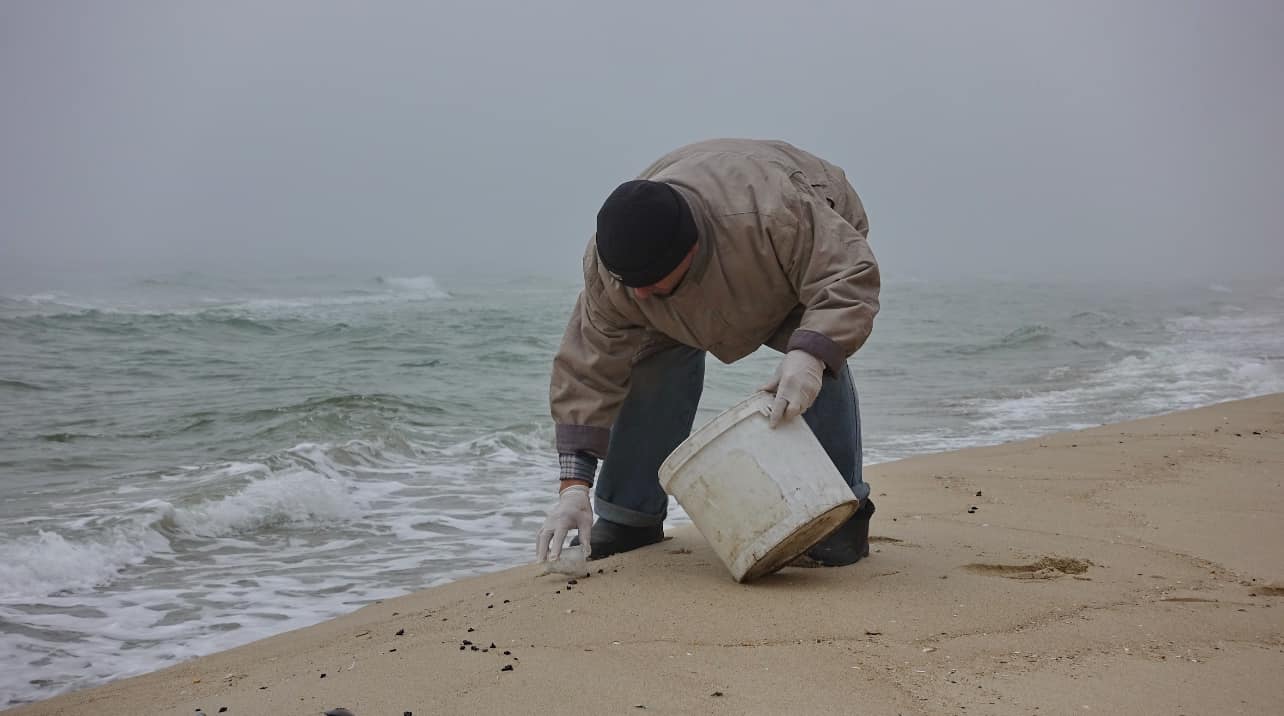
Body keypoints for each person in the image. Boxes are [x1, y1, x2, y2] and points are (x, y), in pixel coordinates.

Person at [535, 138, 880, 569]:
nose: (640, 293)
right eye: (631, 284)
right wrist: (573, 488)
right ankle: (629, 516)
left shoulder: (777, 213)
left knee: (812, 354)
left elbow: (848, 278)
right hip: (717, 222)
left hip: (798, 237)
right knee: (649, 358)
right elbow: (587, 371)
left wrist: (812, 355)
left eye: (652, 282)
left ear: (691, 247)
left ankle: (840, 516)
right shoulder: (616, 275)